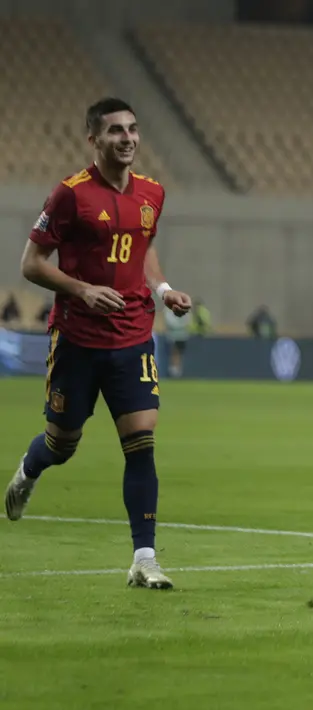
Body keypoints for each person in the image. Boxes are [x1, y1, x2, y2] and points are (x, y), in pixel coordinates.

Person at [4, 98, 193, 590]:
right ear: (94, 139)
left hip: (133, 335)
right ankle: (28, 470)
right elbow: (31, 263)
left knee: (141, 443)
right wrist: (82, 288)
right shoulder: (70, 196)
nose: (127, 138)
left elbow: (144, 246)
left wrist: (163, 289)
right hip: (78, 339)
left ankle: (144, 558)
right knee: (62, 443)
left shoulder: (153, 193)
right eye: (115, 131)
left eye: (133, 129)